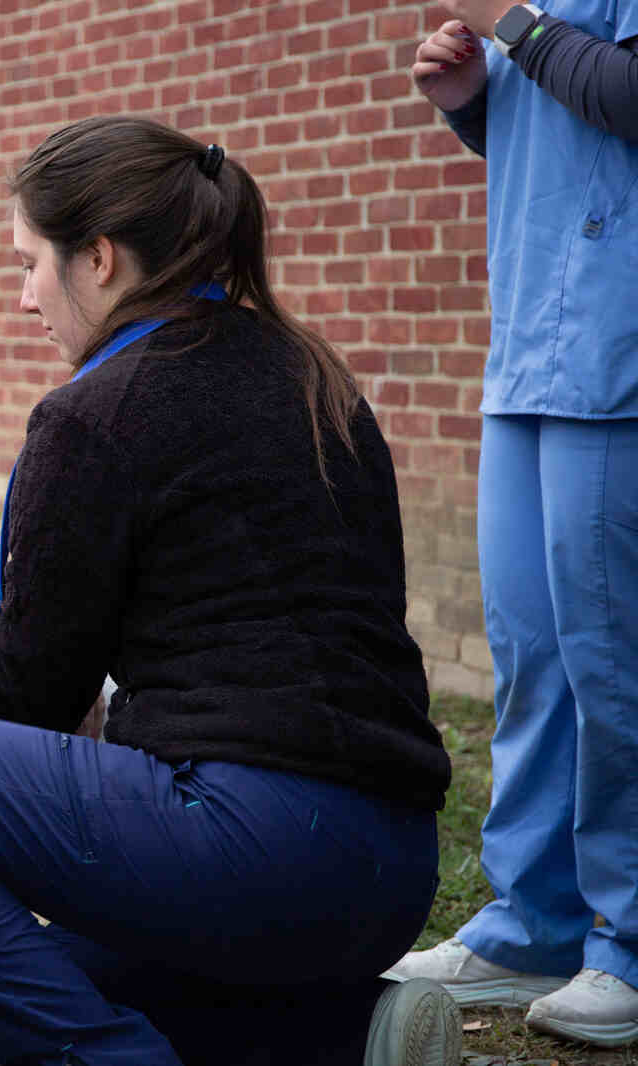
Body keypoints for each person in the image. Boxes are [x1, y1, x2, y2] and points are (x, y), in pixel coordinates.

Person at [0, 116, 462, 1066]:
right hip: (390, 868)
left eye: (29, 265)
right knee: (51, 975)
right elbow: (189, 586)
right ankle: (348, 1031)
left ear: (97, 258)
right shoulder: (312, 375)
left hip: (244, 844)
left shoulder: (93, 415)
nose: (23, 299)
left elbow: (28, 700)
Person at [385, 2, 638, 1049]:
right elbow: (570, 141)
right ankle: (533, 922)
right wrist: (472, 104)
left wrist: (512, 25)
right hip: (529, 346)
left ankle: (627, 941)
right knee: (532, 655)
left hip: (617, 353)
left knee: (612, 663)